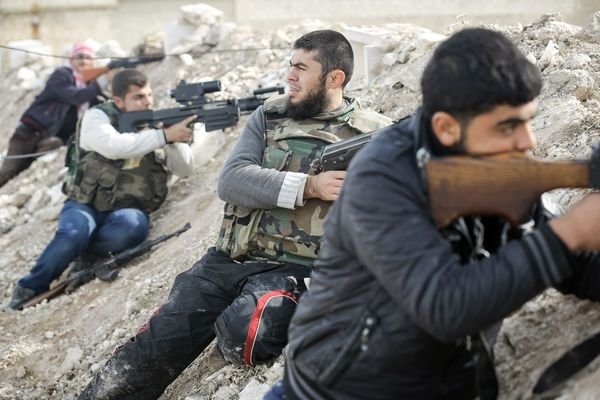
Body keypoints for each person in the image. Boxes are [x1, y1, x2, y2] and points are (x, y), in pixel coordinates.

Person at [266, 28, 600, 400]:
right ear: (446, 127)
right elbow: (445, 307)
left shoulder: (491, 166)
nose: (528, 141)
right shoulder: (382, 178)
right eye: (508, 127)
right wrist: (571, 231)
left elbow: (577, 269)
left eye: (528, 121)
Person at [78, 29, 392, 399]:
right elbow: (232, 181)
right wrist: (311, 186)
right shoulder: (270, 116)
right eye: (291, 65)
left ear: (335, 78)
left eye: (302, 68)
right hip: (228, 260)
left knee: (247, 331)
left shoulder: (375, 135)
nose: (290, 75)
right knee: (147, 352)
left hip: (297, 269)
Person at [8, 68, 195, 310]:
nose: (147, 102)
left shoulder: (156, 124)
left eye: (149, 95)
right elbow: (113, 146)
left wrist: (175, 140)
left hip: (126, 208)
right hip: (86, 202)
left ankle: (87, 259)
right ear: (118, 100)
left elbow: (184, 169)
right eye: (138, 97)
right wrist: (163, 136)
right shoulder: (96, 117)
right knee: (73, 234)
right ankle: (29, 287)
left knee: (133, 227)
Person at [0, 42, 107, 188]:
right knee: (8, 171)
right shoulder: (62, 75)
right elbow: (76, 97)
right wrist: (103, 82)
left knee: (26, 171)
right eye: (80, 56)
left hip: (48, 138)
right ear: (71, 59)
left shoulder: (89, 86)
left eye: (88, 58)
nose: (84, 61)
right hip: (29, 133)